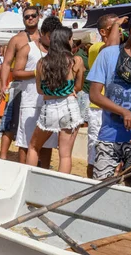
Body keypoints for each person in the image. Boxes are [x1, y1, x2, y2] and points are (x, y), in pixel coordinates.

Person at [87, 11, 131, 186]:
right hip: (109, 134)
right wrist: (124, 112)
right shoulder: (108, 55)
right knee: (102, 185)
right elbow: (94, 94)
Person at [28, 27, 85, 173]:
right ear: (66, 41)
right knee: (65, 155)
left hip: (49, 107)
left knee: (34, 146)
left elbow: (40, 90)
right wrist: (68, 90)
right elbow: (78, 86)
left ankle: (28, 180)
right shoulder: (75, 61)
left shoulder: (42, 63)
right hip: (70, 105)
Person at [13, 16, 63, 168]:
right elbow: (16, 72)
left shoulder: (58, 51)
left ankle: (43, 175)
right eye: (50, 37)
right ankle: (22, 174)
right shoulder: (28, 48)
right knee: (26, 143)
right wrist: (38, 73)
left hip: (51, 105)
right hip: (30, 103)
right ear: (42, 33)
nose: (53, 41)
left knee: (48, 144)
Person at [0, 5, 41, 160]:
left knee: (33, 124)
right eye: (27, 16)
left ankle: (33, 156)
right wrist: (3, 84)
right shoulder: (17, 39)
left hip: (38, 89)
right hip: (19, 86)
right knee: (11, 123)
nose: (30, 18)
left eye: (33, 16)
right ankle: (3, 157)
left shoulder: (44, 37)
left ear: (39, 16)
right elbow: (6, 63)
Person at [86, 14, 124, 178]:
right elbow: (111, 48)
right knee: (95, 156)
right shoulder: (97, 48)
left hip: (112, 107)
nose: (120, 30)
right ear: (103, 32)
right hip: (98, 108)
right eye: (114, 27)